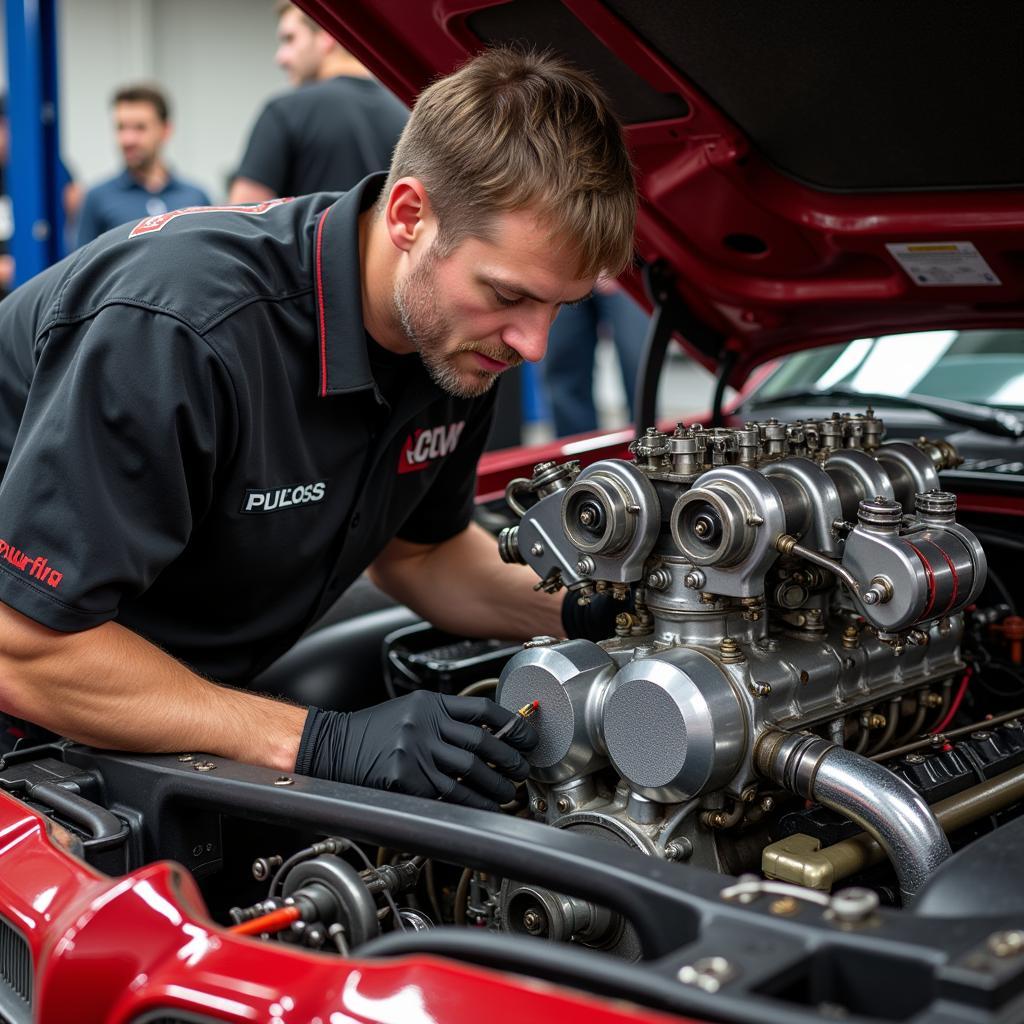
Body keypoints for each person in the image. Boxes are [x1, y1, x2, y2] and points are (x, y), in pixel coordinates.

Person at [0, 48, 636, 810]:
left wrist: (595, 608)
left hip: (179, 692)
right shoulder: (182, 332)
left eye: (557, 309)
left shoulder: (455, 345)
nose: (532, 345)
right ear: (409, 216)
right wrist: (323, 744)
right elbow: (26, 649)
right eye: (508, 294)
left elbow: (422, 554)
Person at [228, 3, 408, 204]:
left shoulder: (285, 111)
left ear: (327, 36)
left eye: (290, 39)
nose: (281, 58)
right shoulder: (406, 112)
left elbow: (241, 213)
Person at [75, 84, 210, 248]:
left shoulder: (196, 198)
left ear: (165, 130)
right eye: (121, 127)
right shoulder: (98, 198)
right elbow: (82, 268)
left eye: (140, 128)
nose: (128, 139)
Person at [542, 275, 650, 437]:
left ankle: (649, 451)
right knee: (564, 373)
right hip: (566, 266)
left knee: (640, 370)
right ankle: (577, 457)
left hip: (629, 265)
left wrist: (616, 259)